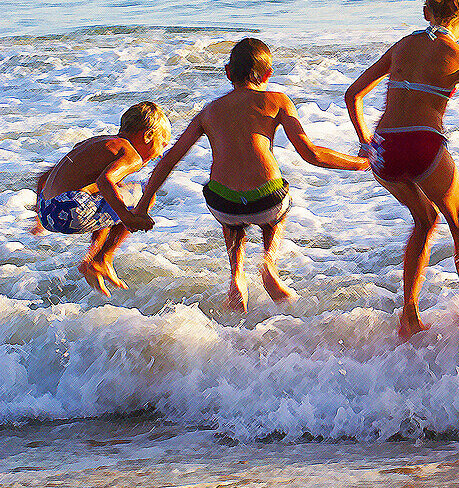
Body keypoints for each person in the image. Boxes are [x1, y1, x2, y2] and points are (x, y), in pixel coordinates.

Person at [134, 37, 370, 313]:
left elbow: (169, 160)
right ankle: (268, 265)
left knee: (230, 216)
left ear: (228, 72)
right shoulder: (277, 101)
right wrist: (360, 163)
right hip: (267, 202)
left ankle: (236, 275)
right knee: (276, 212)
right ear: (268, 74)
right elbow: (311, 154)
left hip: (224, 206)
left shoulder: (208, 112)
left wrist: (142, 206)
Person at [344, 0, 459, 339]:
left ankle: (409, 315)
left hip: (385, 150)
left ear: (425, 10)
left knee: (424, 219)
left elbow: (353, 94)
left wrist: (368, 144)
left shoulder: (402, 45)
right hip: (423, 147)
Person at [34, 101, 170, 296]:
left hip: (48, 210)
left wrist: (39, 218)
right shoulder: (130, 154)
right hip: (70, 209)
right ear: (148, 136)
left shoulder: (96, 144)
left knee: (111, 196)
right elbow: (106, 181)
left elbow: (45, 177)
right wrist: (128, 218)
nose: (160, 153)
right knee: (146, 193)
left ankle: (94, 259)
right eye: (162, 144)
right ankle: (102, 258)